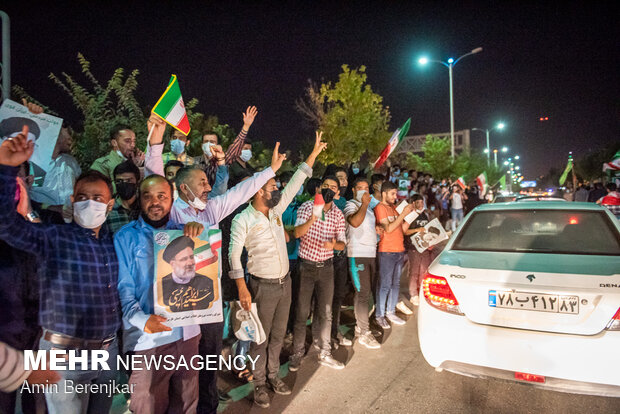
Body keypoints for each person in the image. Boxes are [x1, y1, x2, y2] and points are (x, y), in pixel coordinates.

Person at [143, 114, 287, 413]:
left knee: (208, 365)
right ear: (183, 189)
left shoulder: (211, 209)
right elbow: (153, 180)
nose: (209, 187)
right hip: (177, 306)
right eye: (203, 182)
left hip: (209, 302)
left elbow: (239, 192)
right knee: (179, 371)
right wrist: (155, 142)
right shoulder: (171, 211)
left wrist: (270, 170)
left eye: (209, 181)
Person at [0, 127, 121, 414]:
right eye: (81, 197)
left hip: (106, 353)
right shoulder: (55, 237)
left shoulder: (117, 243)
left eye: (97, 198)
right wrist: (6, 169)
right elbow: (7, 225)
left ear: (110, 205)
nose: (88, 202)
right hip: (62, 356)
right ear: (71, 201)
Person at [229, 131, 325, 408]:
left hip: (285, 284)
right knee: (260, 339)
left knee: (278, 336)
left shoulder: (275, 211)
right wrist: (242, 287)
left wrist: (314, 154)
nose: (278, 191)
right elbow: (233, 256)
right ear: (259, 190)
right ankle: (259, 384)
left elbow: (297, 182)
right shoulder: (242, 220)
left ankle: (273, 376)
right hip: (261, 286)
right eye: (273, 187)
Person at [115, 171, 204, 414]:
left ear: (172, 200)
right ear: (140, 200)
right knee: (148, 405)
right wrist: (144, 321)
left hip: (187, 333)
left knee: (186, 403)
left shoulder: (187, 233)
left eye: (162, 196)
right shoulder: (126, 237)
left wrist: (200, 234)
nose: (155, 202)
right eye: (148, 196)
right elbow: (124, 290)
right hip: (149, 339)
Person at [290, 176, 347, 371]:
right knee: (302, 311)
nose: (329, 190)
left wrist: (334, 245)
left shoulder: (338, 214)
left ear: (338, 193)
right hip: (306, 266)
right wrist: (314, 217)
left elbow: (342, 243)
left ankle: (325, 352)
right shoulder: (307, 207)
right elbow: (297, 233)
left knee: (326, 312)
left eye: (333, 188)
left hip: (327, 268)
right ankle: (297, 352)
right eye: (326, 187)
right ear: (319, 189)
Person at [343, 177, 381, 349]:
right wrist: (364, 204)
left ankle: (362, 326)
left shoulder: (370, 209)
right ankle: (364, 332)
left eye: (367, 188)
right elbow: (355, 223)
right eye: (360, 188)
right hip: (357, 254)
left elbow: (366, 228)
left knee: (367, 293)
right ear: (353, 190)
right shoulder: (351, 205)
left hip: (370, 253)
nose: (364, 191)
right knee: (362, 293)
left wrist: (377, 231)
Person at [374, 181, 414, 329]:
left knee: (395, 284)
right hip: (387, 251)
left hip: (399, 250)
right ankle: (380, 315)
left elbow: (401, 229)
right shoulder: (380, 208)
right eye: (392, 194)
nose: (394, 196)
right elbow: (389, 228)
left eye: (395, 194)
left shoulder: (394, 208)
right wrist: (402, 214)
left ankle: (390, 312)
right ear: (384, 193)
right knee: (384, 285)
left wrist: (410, 216)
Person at [194, 106, 258, 188]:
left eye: (212, 142)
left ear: (218, 145)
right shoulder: (194, 162)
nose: (209, 145)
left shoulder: (222, 162)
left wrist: (246, 126)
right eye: (206, 142)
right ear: (202, 145)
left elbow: (234, 149)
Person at [29, 124, 81, 209]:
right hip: (45, 218)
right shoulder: (37, 163)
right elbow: (31, 197)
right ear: (55, 134)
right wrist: (52, 208)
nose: (70, 139)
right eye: (68, 133)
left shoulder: (70, 161)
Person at [161, 236, 214, 312]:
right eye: (184, 259)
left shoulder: (207, 282)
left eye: (191, 257)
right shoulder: (162, 285)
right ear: (173, 264)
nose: (190, 263)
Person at [403, 194, 431, 307]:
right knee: (414, 272)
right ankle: (413, 294)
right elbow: (405, 231)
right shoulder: (410, 216)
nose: (420, 205)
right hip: (413, 247)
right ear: (413, 203)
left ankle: (422, 292)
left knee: (424, 271)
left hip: (424, 247)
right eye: (418, 202)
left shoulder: (425, 215)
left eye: (422, 202)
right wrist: (417, 229)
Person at [103, 160, 141, 234]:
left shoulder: (144, 208)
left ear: (137, 182)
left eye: (128, 180)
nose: (124, 184)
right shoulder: (107, 211)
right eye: (119, 181)